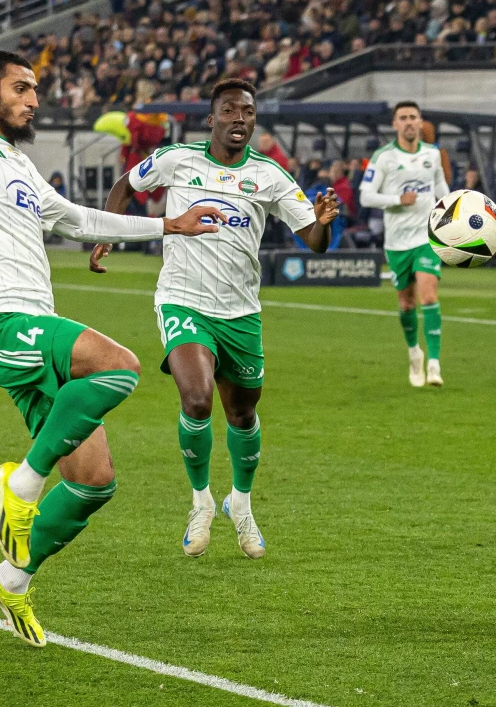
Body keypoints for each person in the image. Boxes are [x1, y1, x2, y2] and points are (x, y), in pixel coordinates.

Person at [0, 50, 224, 647]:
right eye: (22, 88)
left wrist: (170, 226)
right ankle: (22, 484)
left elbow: (75, 218)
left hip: (35, 321)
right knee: (119, 366)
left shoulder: (20, 165)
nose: (35, 99)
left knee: (93, 482)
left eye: (35, 89)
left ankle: (9, 577)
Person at [89, 78, 339, 559]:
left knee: (242, 412)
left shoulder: (270, 175)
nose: (239, 118)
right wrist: (108, 232)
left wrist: (324, 223)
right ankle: (201, 501)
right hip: (183, 299)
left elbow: (313, 240)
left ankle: (239, 503)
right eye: (229, 110)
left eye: (247, 111)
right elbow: (125, 185)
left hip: (241, 311)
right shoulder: (176, 158)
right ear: (211, 119)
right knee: (198, 399)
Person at [359, 101, 450, 387]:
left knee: (429, 296)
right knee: (406, 302)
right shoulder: (383, 157)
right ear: (395, 124)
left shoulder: (432, 155)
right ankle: (414, 353)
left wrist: (452, 217)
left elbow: (441, 190)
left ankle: (434, 364)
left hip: (426, 238)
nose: (409, 122)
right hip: (397, 242)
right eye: (403, 118)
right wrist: (398, 200)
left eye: (413, 117)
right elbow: (365, 196)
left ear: (420, 122)